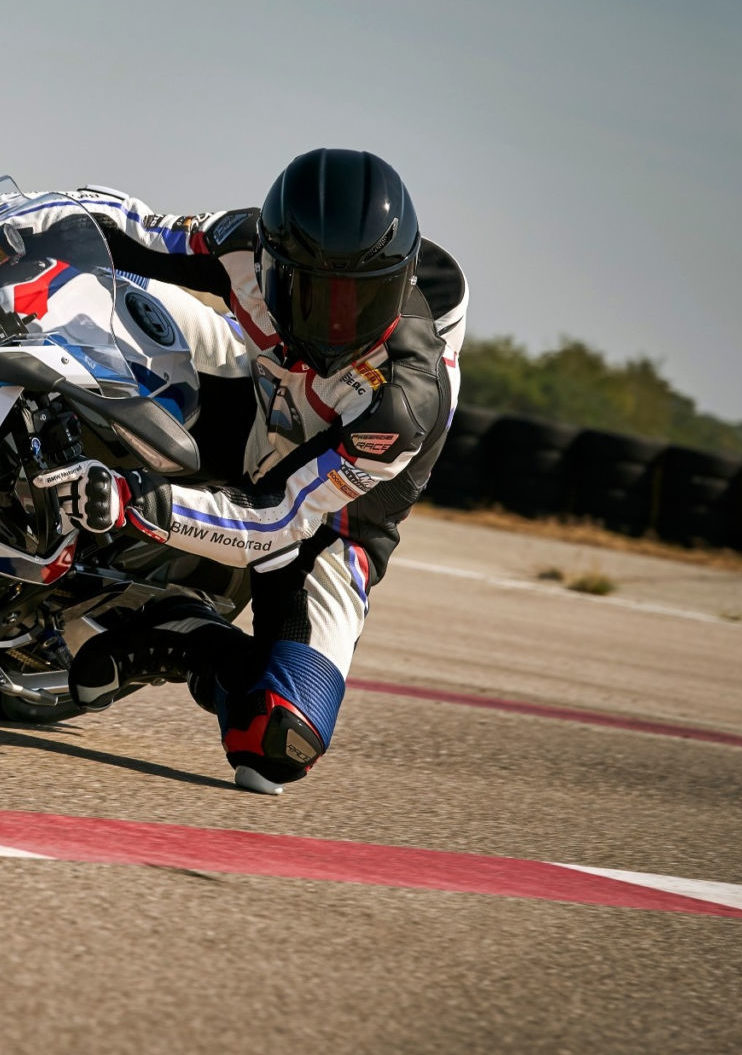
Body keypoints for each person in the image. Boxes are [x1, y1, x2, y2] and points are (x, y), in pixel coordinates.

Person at [44, 148, 469, 794]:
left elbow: (274, 520)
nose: (331, 325)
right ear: (272, 259)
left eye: (357, 301)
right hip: (250, 402)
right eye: (308, 292)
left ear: (400, 285)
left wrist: (132, 500)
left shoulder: (403, 400)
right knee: (87, 295)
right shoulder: (245, 242)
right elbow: (131, 227)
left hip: (327, 529)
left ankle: (186, 633)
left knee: (277, 740)